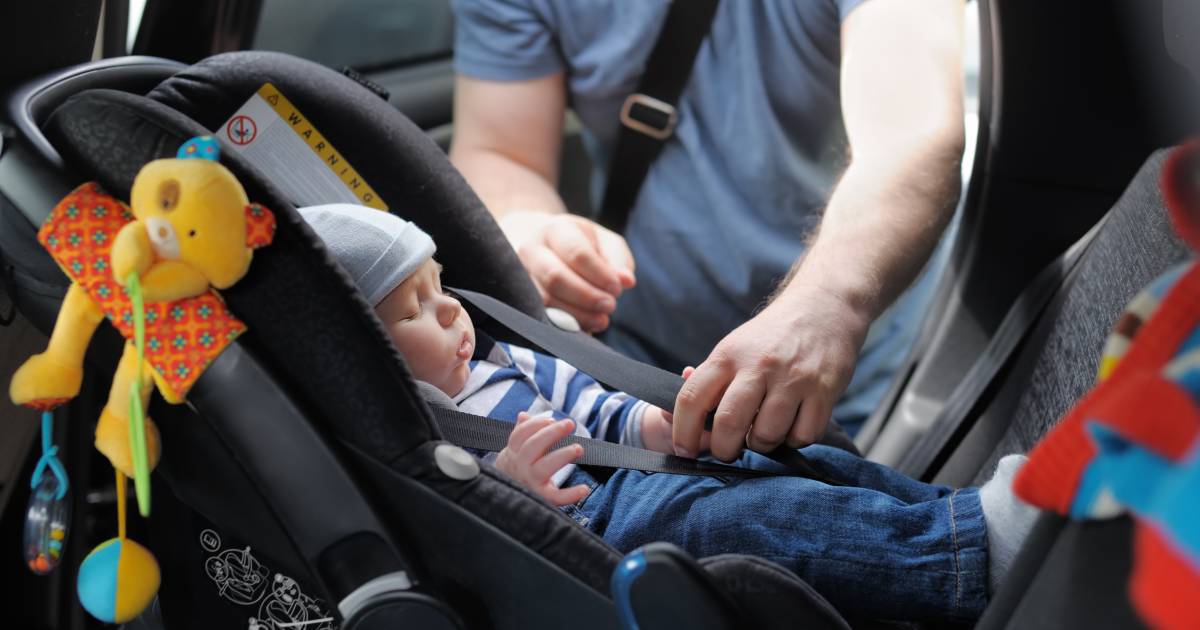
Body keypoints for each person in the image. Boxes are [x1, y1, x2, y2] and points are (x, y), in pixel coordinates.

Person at [299, 204, 1036, 622]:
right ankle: (965, 556)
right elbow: (472, 524)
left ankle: (958, 517)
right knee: (748, 520)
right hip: (595, 524)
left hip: (638, 472)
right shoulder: (419, 432)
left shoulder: (502, 360)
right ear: (367, 353)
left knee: (804, 462)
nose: (451, 313)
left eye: (441, 288)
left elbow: (592, 407)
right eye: (414, 310)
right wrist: (518, 486)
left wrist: (660, 426)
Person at [448, 0, 966, 462]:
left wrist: (829, 301)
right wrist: (530, 227)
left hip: (857, 370)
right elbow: (500, 151)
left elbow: (912, 135)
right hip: (640, 370)